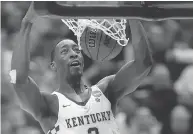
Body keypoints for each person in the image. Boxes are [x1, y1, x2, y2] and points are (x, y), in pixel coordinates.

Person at [10, 2, 153, 134]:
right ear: (53, 65)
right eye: (65, 51)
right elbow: (17, 79)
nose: (73, 53)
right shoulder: (50, 104)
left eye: (77, 50)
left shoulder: (106, 91)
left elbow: (143, 65)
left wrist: (133, 15)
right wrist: (26, 23)